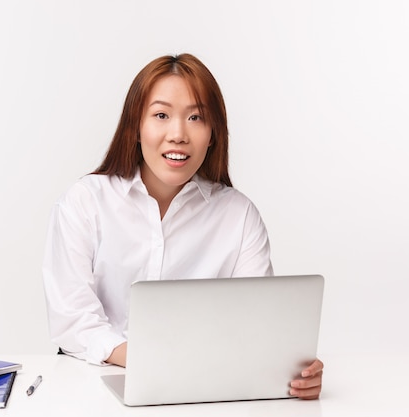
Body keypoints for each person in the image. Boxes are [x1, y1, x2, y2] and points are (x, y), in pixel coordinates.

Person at [42, 53, 323, 400]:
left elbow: (255, 328)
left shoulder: (239, 215)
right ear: (135, 128)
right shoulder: (85, 201)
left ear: (213, 134)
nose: (178, 134)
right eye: (161, 115)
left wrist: (291, 371)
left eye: (195, 117)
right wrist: (151, 361)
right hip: (93, 387)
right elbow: (72, 320)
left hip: (204, 392)